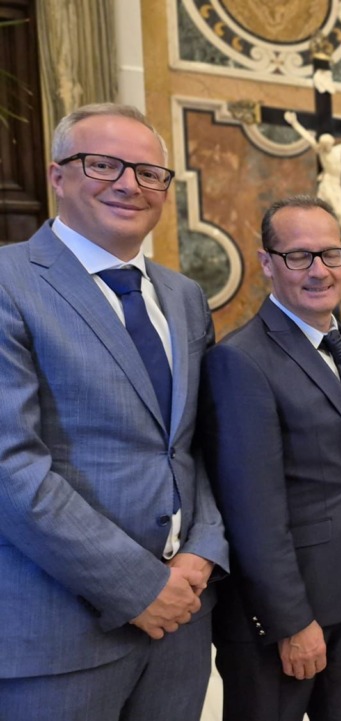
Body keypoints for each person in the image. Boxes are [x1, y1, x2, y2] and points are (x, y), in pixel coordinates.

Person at [0, 103, 228, 720]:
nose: (129, 184)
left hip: (182, 621)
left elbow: (199, 443)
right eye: (103, 164)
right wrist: (139, 586)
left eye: (150, 172)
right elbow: (9, 468)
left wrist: (203, 549)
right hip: (60, 633)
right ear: (57, 176)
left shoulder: (184, 297)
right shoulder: (8, 281)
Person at [201, 196, 341, 721]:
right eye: (300, 256)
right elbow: (252, 511)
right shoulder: (240, 362)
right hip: (286, 615)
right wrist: (291, 623)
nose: (319, 270)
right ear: (266, 263)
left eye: (331, 254)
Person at [283, 111, 341, 227]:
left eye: (328, 144)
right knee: (330, 209)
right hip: (328, 181)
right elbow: (307, 136)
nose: (326, 147)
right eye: (324, 145)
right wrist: (294, 122)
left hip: (336, 183)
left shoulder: (337, 150)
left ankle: (335, 231)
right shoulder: (321, 152)